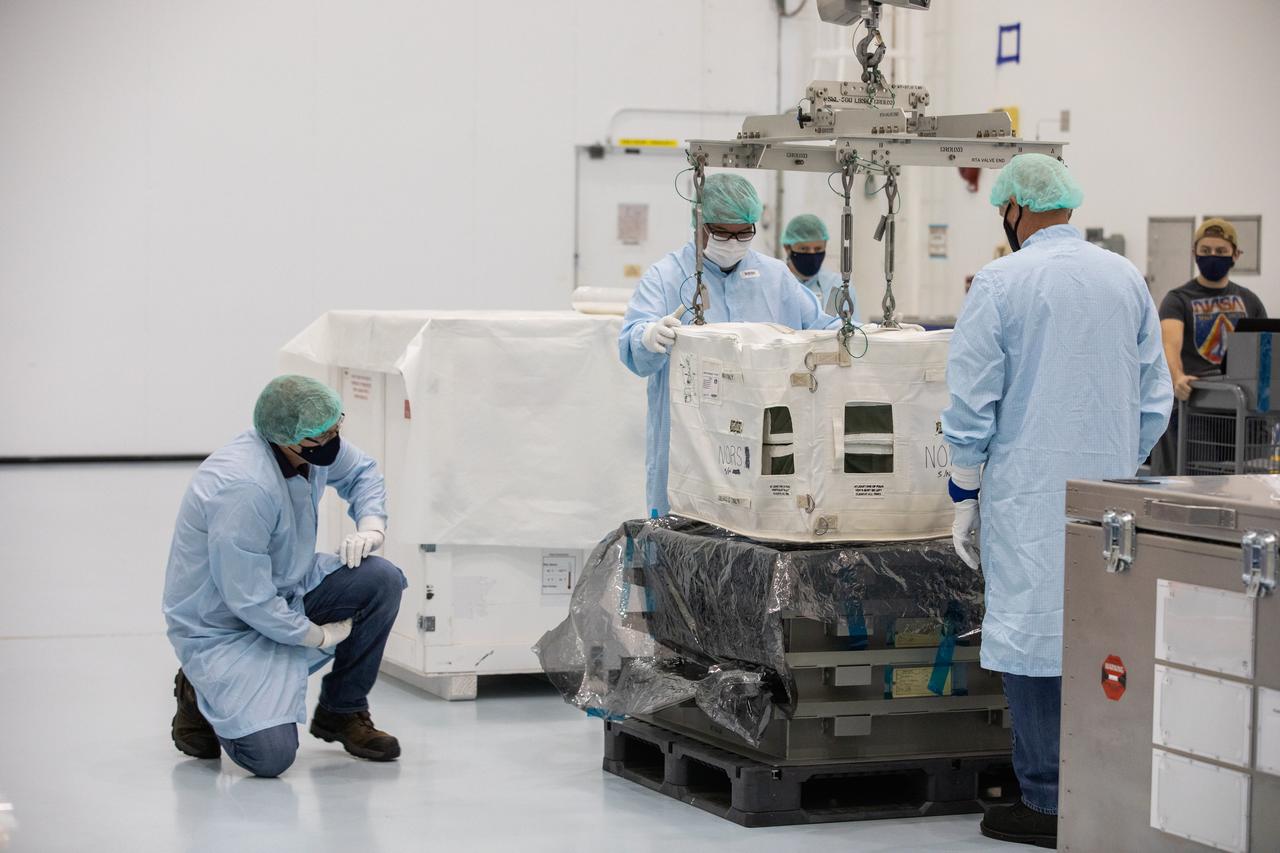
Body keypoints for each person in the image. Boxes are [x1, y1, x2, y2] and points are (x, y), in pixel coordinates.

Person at [942, 154, 1172, 848]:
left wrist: (963, 486)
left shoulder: (1003, 281)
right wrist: (1114, 459)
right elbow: (1154, 399)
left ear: (1012, 208)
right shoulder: (1124, 277)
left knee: (1035, 632)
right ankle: (1104, 786)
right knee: (1106, 632)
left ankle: (1045, 798)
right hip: (1113, 493)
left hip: (1029, 493)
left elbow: (972, 393)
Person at [164, 375, 407, 777]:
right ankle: (197, 689)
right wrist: (318, 636)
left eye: (336, 428)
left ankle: (342, 711)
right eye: (323, 435)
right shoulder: (243, 488)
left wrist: (371, 524)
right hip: (223, 623)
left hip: (286, 586)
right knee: (270, 758)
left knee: (381, 580)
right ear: (287, 439)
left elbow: (361, 471)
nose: (333, 439)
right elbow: (249, 600)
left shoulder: (307, 448)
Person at [620, 174, 840, 515]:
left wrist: (866, 337)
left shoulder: (775, 277)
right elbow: (634, 348)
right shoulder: (666, 277)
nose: (734, 242)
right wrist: (648, 337)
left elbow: (825, 331)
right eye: (723, 233)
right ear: (699, 223)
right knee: (684, 544)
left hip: (763, 440)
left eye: (744, 232)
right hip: (689, 447)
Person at [1148, 218, 1266, 474]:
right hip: (1194, 406)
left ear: (1236, 254)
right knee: (1198, 481)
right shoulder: (1178, 299)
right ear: (1195, 254)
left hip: (1240, 408)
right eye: (1206, 251)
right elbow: (1170, 343)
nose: (1213, 256)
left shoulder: (1250, 301)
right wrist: (1177, 376)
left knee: (1242, 482)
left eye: (1221, 251)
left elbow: (1265, 349)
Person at [781, 213, 860, 320]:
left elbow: (853, 330)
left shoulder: (838, 287)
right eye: (804, 249)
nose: (812, 254)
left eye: (818, 249)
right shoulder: (777, 284)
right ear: (787, 248)